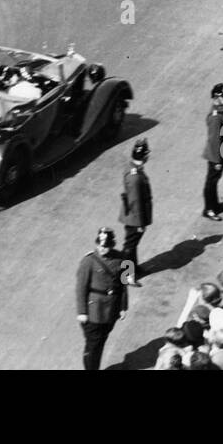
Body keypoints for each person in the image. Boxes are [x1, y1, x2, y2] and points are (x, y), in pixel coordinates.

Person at [75, 227, 129, 371]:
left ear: (112, 245)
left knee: (100, 342)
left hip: (112, 309)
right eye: (100, 245)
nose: (102, 248)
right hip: (94, 311)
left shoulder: (122, 258)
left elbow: (124, 284)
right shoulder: (88, 261)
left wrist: (123, 307)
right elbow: (81, 288)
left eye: (105, 246)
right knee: (93, 346)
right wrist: (82, 312)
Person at [119, 138, 153, 283]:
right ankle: (127, 275)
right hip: (135, 217)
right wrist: (140, 223)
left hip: (133, 215)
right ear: (144, 156)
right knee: (129, 246)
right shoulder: (135, 177)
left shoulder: (133, 169)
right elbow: (136, 202)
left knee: (132, 245)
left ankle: (134, 268)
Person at [203, 84, 223, 221]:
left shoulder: (220, 110)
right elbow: (214, 141)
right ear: (216, 97)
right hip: (216, 155)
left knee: (215, 181)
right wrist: (217, 160)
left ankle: (215, 206)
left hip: (221, 153)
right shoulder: (215, 116)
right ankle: (209, 209)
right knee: (211, 182)